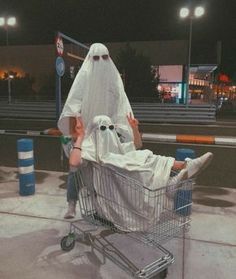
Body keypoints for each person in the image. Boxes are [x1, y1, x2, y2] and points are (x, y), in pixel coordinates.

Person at [59, 43, 142, 218]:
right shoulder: (84, 78)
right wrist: (75, 132)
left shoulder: (113, 79)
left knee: (105, 173)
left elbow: (122, 107)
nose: (100, 62)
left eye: (104, 57)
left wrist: (126, 130)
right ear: (90, 59)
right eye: (96, 58)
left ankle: (102, 207)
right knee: (77, 170)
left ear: (109, 58)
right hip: (87, 135)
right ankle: (72, 203)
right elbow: (73, 104)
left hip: (108, 133)